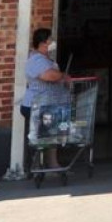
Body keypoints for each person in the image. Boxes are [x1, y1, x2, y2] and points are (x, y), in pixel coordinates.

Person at [21, 27, 73, 169]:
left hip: (49, 105)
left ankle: (52, 164)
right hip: (37, 106)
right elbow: (49, 76)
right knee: (41, 137)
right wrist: (62, 75)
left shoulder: (46, 59)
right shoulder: (35, 60)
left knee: (52, 135)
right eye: (50, 39)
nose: (52, 42)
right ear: (44, 42)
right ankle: (36, 165)